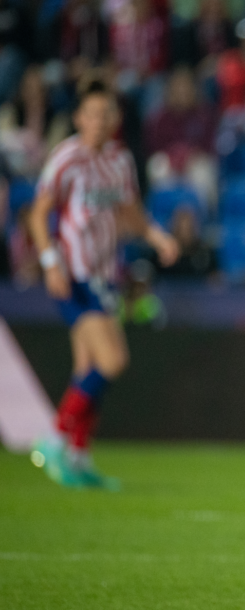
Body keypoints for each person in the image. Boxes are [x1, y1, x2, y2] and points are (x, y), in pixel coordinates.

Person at [27, 78, 179, 488]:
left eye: (106, 114)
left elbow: (129, 212)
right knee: (113, 360)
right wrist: (50, 262)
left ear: (116, 118)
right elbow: (39, 214)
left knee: (88, 367)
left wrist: (156, 237)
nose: (99, 121)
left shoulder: (118, 160)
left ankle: (77, 458)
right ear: (78, 118)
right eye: (92, 114)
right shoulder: (66, 158)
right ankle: (56, 437)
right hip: (74, 275)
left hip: (104, 274)